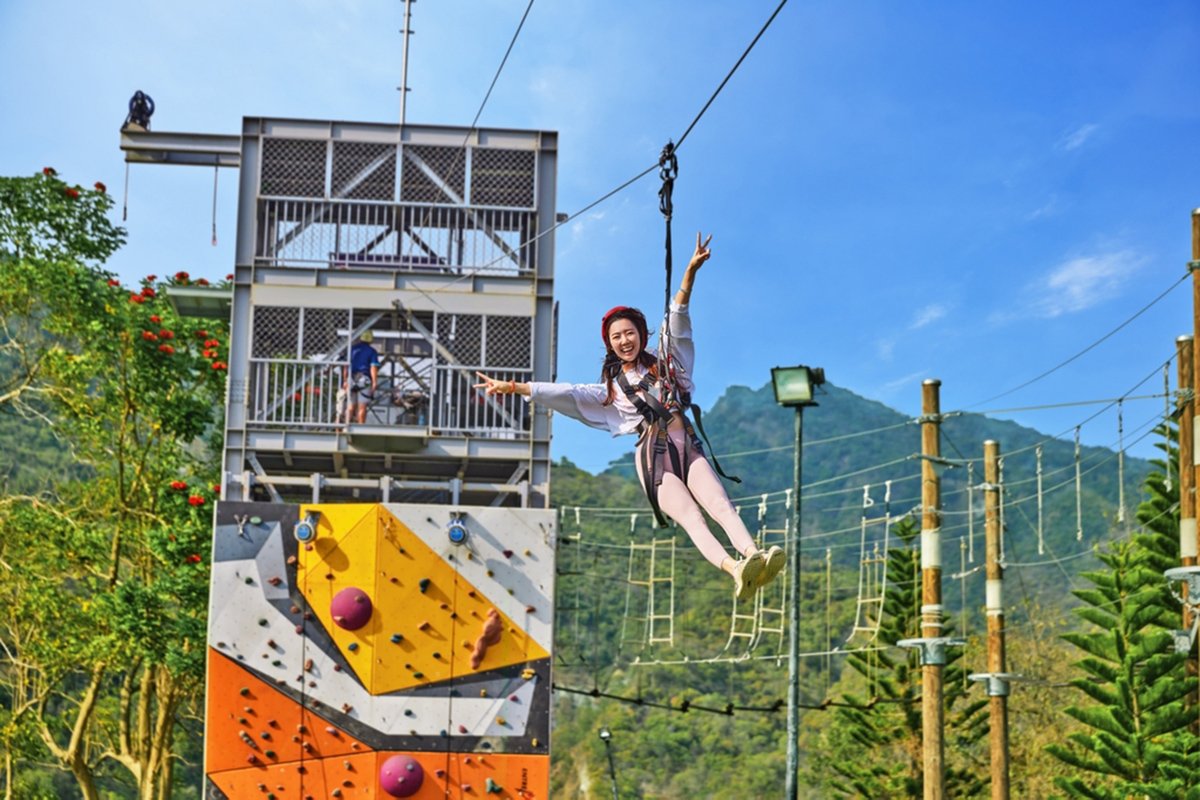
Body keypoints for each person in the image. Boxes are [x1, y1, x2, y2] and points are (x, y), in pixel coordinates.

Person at [475, 233, 785, 601]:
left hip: (686, 443)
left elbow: (678, 319)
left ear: (641, 334)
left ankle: (754, 557)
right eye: (616, 337)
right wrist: (515, 387)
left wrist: (689, 275)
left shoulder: (668, 361)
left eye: (629, 333)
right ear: (610, 344)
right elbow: (567, 393)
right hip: (653, 457)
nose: (624, 340)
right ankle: (735, 570)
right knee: (691, 517)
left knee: (720, 502)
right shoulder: (609, 389)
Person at [345, 331, 380, 424]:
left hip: (351, 379)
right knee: (362, 406)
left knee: (350, 407)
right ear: (371, 340)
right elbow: (373, 367)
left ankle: (346, 426)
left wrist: (345, 380)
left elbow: (345, 366)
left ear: (360, 338)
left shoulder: (352, 349)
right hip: (364, 379)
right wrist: (374, 382)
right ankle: (360, 427)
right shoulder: (372, 351)